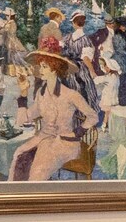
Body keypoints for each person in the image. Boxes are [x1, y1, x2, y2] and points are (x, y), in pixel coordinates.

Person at [7, 52, 100, 181]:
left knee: (39, 169)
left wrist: (78, 132)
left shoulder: (70, 94)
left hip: (65, 143)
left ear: (55, 69)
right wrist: (23, 93)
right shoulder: (41, 93)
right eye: (40, 66)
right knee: (19, 154)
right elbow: (23, 120)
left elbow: (93, 116)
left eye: (44, 67)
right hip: (43, 138)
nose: (40, 70)